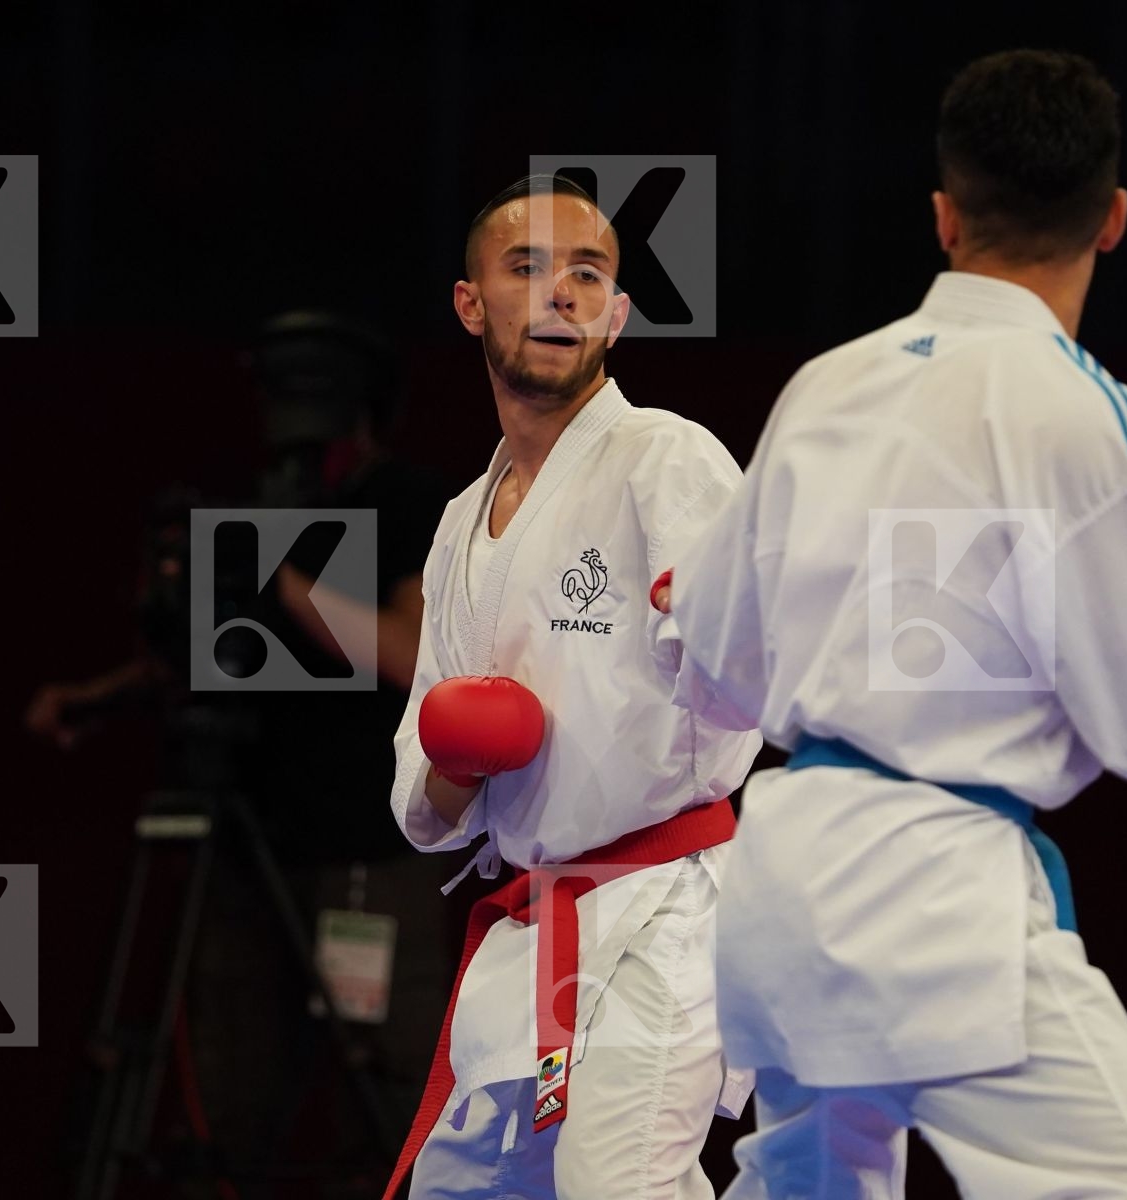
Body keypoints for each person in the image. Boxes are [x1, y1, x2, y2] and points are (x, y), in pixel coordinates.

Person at [652, 50, 1127, 1198]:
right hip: (932, 897)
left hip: (779, 885)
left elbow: (713, 671)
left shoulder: (825, 384)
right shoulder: (1079, 409)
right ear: (1112, 221)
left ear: (943, 214)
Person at [382, 174, 762, 1200]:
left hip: (661, 914)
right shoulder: (462, 520)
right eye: (526, 269)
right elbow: (423, 805)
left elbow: (759, 677)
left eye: (586, 275)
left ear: (617, 312)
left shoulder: (666, 460)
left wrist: (727, 625)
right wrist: (460, 757)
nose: (560, 294)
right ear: (471, 305)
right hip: (530, 929)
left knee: (620, 1184)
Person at [25, 311, 454, 1195]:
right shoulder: (249, 504)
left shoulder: (406, 501)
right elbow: (212, 657)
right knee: (229, 1097)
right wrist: (95, 700)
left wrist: (281, 577)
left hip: (363, 859)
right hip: (249, 852)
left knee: (378, 1098)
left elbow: (410, 656)